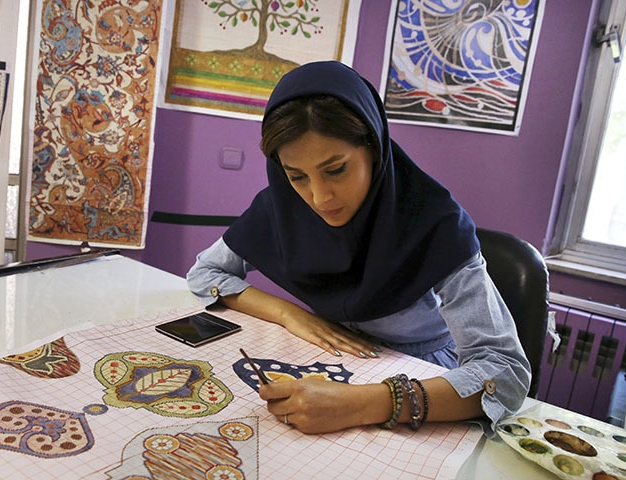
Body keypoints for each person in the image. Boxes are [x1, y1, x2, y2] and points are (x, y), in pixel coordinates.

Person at [186, 61, 530, 436]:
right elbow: (205, 273)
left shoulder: (435, 223)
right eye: (296, 176)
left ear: (375, 148)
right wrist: (289, 314)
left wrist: (364, 403)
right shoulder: (283, 206)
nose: (318, 197)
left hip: (424, 374)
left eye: (336, 170)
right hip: (330, 360)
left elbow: (505, 371)